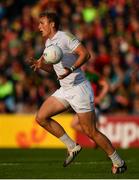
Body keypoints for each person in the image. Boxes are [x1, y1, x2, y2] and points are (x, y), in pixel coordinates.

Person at [27, 11, 127, 174]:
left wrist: (72, 69)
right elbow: (56, 71)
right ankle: (72, 146)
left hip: (79, 88)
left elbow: (86, 54)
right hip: (65, 89)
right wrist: (41, 66)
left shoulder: (65, 37)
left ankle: (119, 162)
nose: (39, 27)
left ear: (52, 24)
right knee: (41, 117)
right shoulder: (48, 44)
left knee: (90, 131)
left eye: (42, 23)